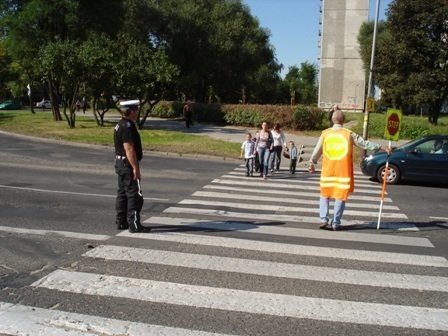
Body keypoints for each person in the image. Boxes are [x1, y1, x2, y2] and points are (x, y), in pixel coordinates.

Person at [308, 109, 391, 231]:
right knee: (340, 197)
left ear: (332, 119)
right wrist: (381, 147)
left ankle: (323, 219)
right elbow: (364, 144)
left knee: (324, 195)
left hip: (328, 172)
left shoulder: (325, 134)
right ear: (344, 121)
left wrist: (312, 162)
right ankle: (336, 223)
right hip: (342, 173)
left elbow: (317, 150)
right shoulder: (348, 134)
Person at [114, 100, 149, 233]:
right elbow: (129, 149)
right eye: (136, 110)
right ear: (131, 111)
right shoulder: (127, 126)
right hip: (127, 164)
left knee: (122, 193)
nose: (137, 113)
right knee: (134, 194)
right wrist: (135, 168)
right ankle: (134, 224)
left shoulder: (120, 124)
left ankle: (121, 221)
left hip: (120, 163)